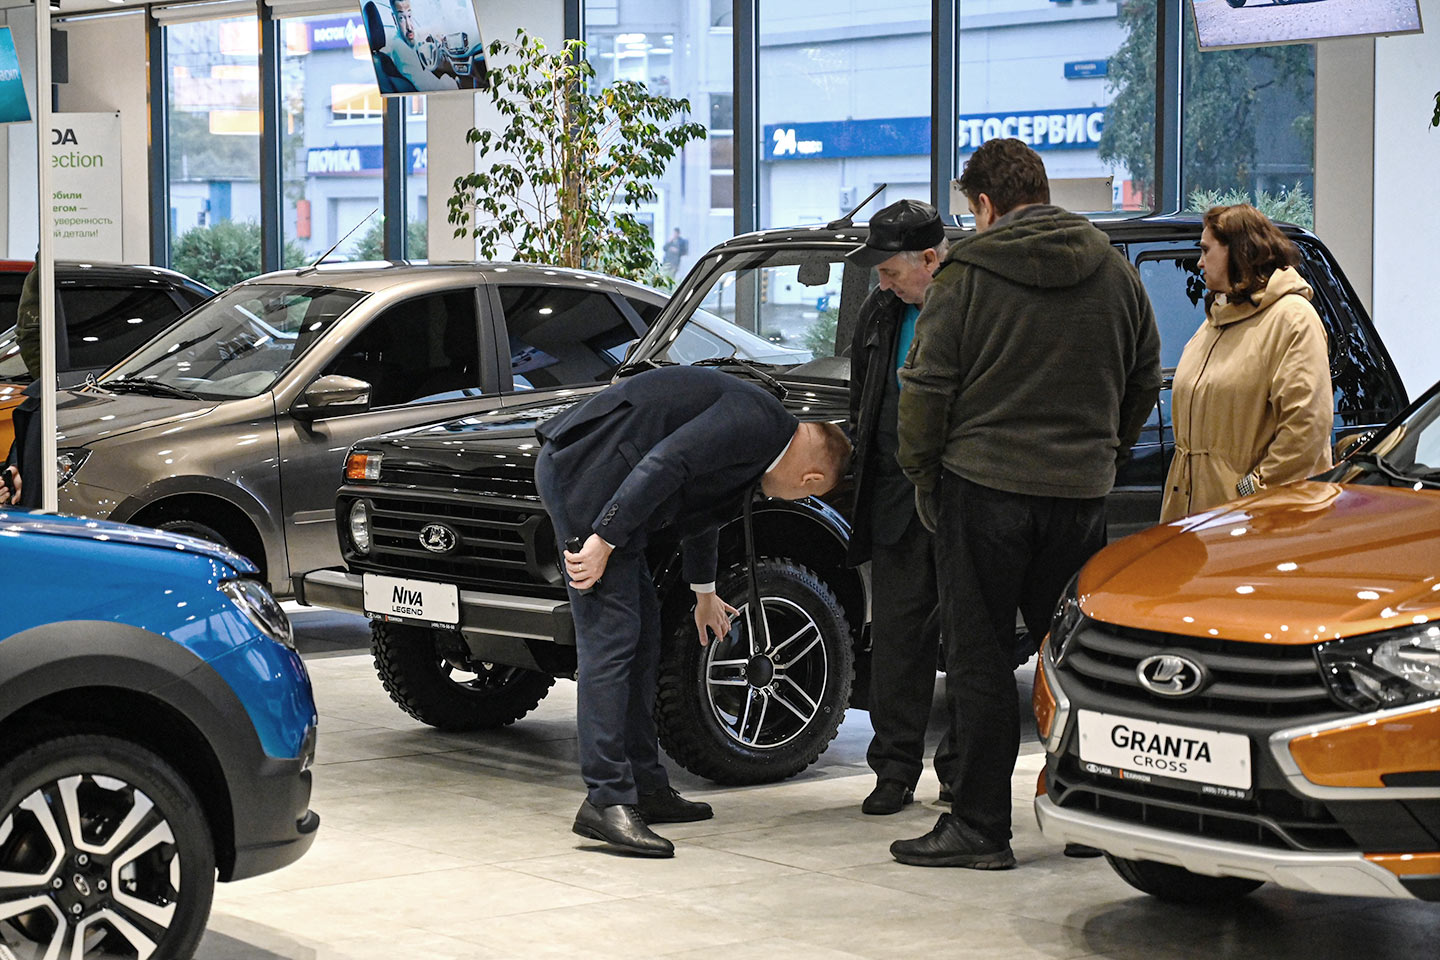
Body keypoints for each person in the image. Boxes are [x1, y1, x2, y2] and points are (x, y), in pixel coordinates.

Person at [893, 138, 1162, 869]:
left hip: (982, 491)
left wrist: (924, 473)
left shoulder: (967, 276)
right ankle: (1086, 815)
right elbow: (1145, 375)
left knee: (980, 660)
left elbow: (927, 389)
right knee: (1074, 659)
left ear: (984, 204)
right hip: (1080, 496)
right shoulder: (1113, 269)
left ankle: (980, 828)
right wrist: (1101, 451)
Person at [534, 366, 851, 858]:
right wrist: (602, 541)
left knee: (642, 639)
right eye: (806, 494)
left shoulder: (763, 443)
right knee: (611, 641)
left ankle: (644, 787)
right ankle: (606, 800)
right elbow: (668, 463)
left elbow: (701, 506)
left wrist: (704, 592)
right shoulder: (759, 423)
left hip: (614, 485)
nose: (794, 499)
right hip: (587, 476)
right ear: (811, 478)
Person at [842, 199, 957, 815]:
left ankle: (961, 772)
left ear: (930, 260)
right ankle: (894, 769)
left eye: (889, 270)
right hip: (893, 497)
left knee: (967, 644)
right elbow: (864, 396)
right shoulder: (880, 312)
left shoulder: (969, 305)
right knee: (896, 642)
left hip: (961, 497)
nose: (881, 281)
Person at [1160, 204, 1333, 522]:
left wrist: (1252, 491)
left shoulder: (1293, 320)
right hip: (1196, 517)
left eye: (1206, 250)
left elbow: (1306, 429)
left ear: (1238, 252)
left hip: (1254, 523)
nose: (1199, 262)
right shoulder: (1217, 319)